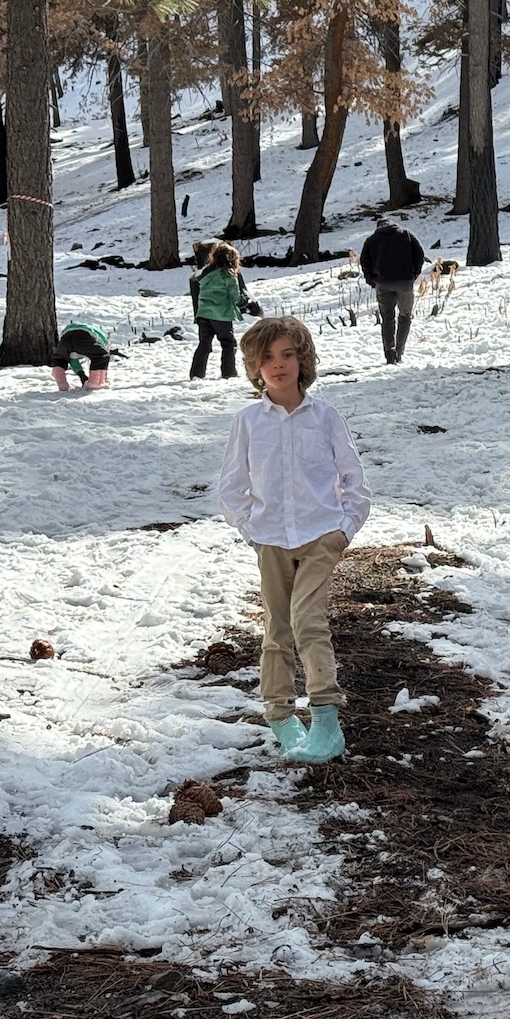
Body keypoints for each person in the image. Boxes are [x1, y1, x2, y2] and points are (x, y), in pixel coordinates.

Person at [218, 315, 372, 763]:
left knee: (308, 622)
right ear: (254, 367)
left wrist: (344, 529)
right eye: (267, 358)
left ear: (303, 360)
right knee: (277, 629)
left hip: (320, 535)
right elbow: (232, 487)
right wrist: (250, 527)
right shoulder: (248, 422)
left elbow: (352, 478)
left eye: (287, 354)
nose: (278, 365)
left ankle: (327, 718)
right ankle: (281, 716)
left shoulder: (324, 417)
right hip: (270, 541)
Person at [358, 216, 426, 365]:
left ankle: (389, 352)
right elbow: (420, 254)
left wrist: (371, 280)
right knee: (405, 316)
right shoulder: (406, 234)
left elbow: (364, 262)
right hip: (405, 283)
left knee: (387, 319)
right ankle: (399, 352)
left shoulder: (372, 240)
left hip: (383, 283)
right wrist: (413, 275)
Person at [188, 240, 242, 380]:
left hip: (203, 314)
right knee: (228, 343)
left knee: (204, 344)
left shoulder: (205, 273)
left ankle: (196, 374)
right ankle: (229, 373)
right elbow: (235, 296)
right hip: (221, 315)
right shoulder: (228, 275)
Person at [51, 319, 111, 390]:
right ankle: (93, 384)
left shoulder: (92, 330)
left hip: (66, 336)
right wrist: (104, 377)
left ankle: (62, 385)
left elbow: (73, 359)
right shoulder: (104, 341)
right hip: (84, 335)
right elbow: (103, 358)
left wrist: (81, 375)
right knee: (101, 357)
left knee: (60, 360)